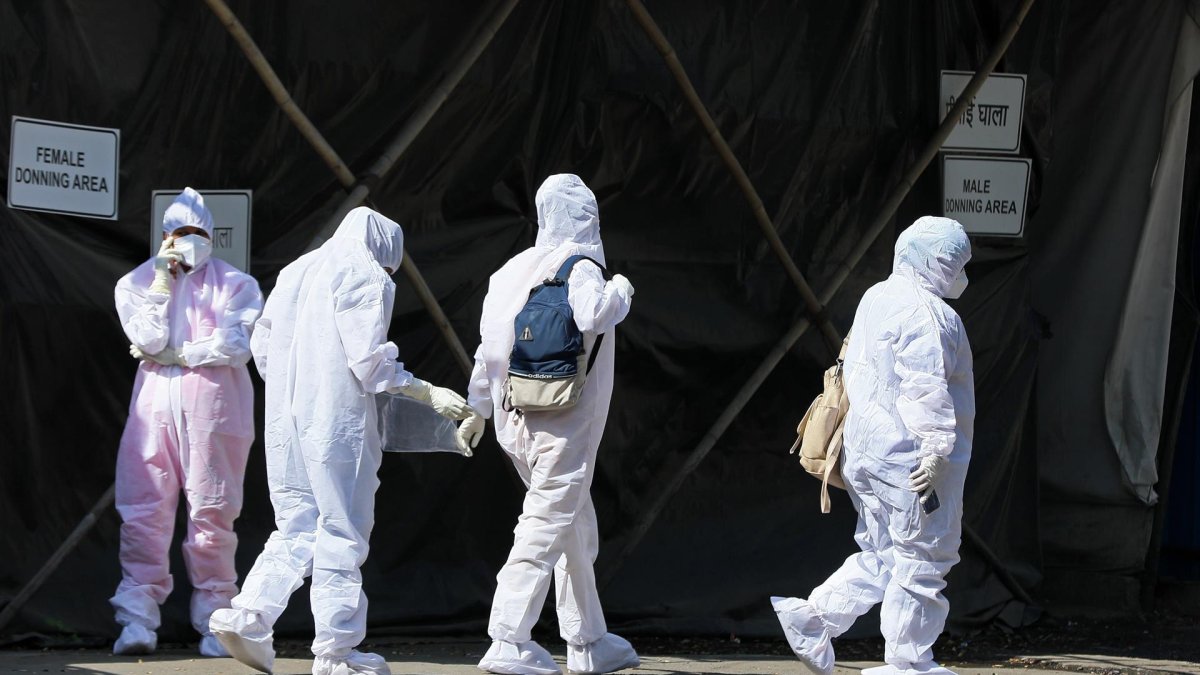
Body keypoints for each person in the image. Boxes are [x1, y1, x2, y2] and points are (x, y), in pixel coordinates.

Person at [209, 207, 475, 675]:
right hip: (338, 424)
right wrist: (428, 392)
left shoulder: (297, 270)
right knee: (341, 529)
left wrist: (298, 389)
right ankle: (337, 652)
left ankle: (248, 614)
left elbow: (263, 349)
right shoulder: (365, 272)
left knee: (295, 525)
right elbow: (370, 362)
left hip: (285, 419)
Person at [772, 216, 975, 675]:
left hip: (866, 453)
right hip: (912, 459)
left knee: (884, 553)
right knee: (925, 557)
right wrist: (936, 451)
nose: (959, 274)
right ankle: (908, 662)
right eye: (953, 262)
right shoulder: (931, 315)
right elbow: (926, 389)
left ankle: (813, 620)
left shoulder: (877, 295)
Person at [465, 174, 639, 675]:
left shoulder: (508, 273)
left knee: (573, 527)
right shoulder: (582, 267)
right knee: (545, 525)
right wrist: (622, 286)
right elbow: (596, 312)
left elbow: (487, 352)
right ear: (587, 217)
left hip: (511, 415)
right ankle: (507, 637)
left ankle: (588, 640)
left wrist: (479, 409)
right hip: (562, 422)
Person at [111, 187, 263, 657]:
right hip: (153, 410)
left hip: (214, 411)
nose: (190, 240)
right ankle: (137, 620)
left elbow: (240, 343)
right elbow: (147, 335)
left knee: (212, 514)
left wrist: (185, 354)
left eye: (198, 233)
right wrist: (160, 283)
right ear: (164, 237)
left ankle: (216, 620)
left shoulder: (238, 284)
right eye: (181, 233)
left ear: (212, 236)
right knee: (142, 512)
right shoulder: (135, 284)